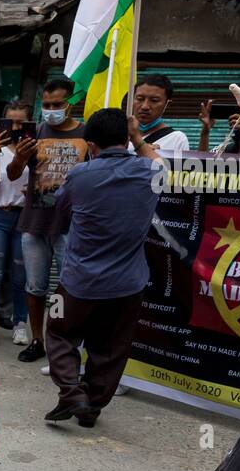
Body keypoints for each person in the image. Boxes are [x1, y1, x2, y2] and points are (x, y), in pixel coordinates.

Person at [44, 109, 162, 428]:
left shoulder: (80, 175)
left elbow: (62, 206)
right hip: (128, 284)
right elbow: (159, 161)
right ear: (126, 139)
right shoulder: (151, 172)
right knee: (110, 349)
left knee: (58, 332)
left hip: (79, 281)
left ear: (91, 144)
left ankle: (72, 393)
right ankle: (92, 406)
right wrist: (138, 137)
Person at [8, 78, 88, 363]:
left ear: (71, 104)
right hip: (35, 222)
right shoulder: (35, 132)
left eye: (57, 104)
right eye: (47, 104)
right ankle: (37, 340)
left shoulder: (86, 134)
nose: (51, 110)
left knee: (69, 289)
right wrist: (19, 157)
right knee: (35, 287)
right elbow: (15, 172)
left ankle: (66, 343)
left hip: (72, 225)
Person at [0, 101, 32, 346]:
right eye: (10, 122)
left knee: (21, 275)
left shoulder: (34, 147)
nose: (16, 127)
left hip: (24, 217)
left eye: (21, 122)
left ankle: (20, 323)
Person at [130, 74, 189, 155]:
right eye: (140, 99)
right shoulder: (118, 136)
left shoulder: (177, 139)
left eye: (154, 100)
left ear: (167, 104)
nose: (145, 106)